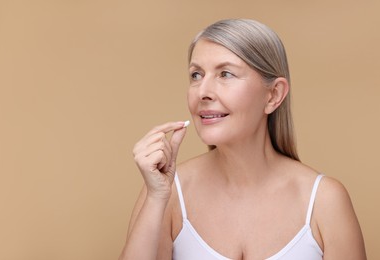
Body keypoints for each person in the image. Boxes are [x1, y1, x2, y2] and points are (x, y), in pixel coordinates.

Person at [119, 19, 366, 260]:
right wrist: (156, 198)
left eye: (225, 74)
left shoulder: (325, 201)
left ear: (273, 95)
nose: (203, 92)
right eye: (196, 75)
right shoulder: (168, 191)